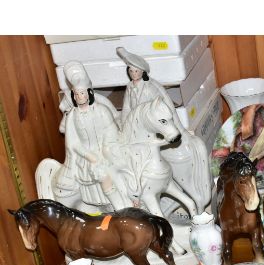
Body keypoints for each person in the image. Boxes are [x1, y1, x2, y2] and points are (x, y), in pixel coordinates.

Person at [61, 61, 130, 210]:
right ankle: (120, 207)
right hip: (87, 156)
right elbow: (73, 143)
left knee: (126, 164)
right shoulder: (72, 116)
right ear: (74, 96)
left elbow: (111, 129)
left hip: (108, 148)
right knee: (103, 172)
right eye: (77, 94)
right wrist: (90, 155)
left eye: (82, 93)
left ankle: (131, 198)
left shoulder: (101, 109)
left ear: (89, 94)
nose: (80, 97)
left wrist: (107, 148)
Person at [117, 47, 183, 129]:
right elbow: (127, 108)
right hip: (135, 123)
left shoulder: (150, 87)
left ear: (142, 72)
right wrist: (124, 124)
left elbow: (160, 108)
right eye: (131, 71)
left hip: (150, 124)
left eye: (136, 71)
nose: (133, 74)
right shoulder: (130, 87)